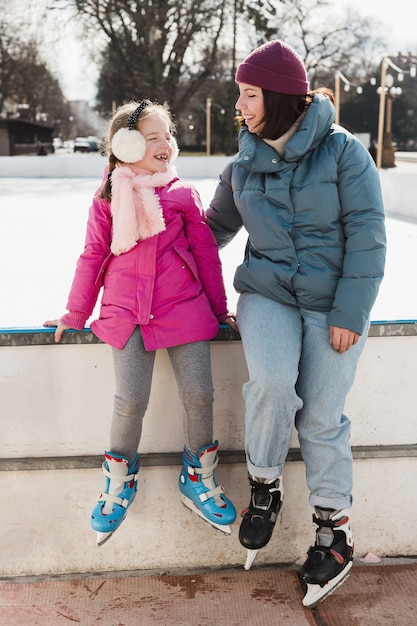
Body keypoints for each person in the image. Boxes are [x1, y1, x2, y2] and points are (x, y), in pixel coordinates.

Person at [206, 40, 386, 607]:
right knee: (272, 384)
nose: (242, 105)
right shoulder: (243, 162)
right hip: (267, 296)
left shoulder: (342, 154)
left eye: (250, 94)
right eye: (241, 94)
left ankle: (334, 532)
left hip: (334, 304)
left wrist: (349, 313)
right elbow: (210, 231)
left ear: (281, 97)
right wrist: (135, 259)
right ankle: (265, 486)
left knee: (323, 418)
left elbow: (368, 235)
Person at [44, 99, 237, 546]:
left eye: (167, 135)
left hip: (184, 307)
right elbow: (94, 256)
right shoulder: (108, 200)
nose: (164, 144)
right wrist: (74, 314)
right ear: (126, 145)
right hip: (126, 311)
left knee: (200, 393)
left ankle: (198, 476)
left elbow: (206, 255)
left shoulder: (182, 195)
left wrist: (216, 306)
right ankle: (119, 480)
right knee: (130, 399)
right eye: (152, 137)